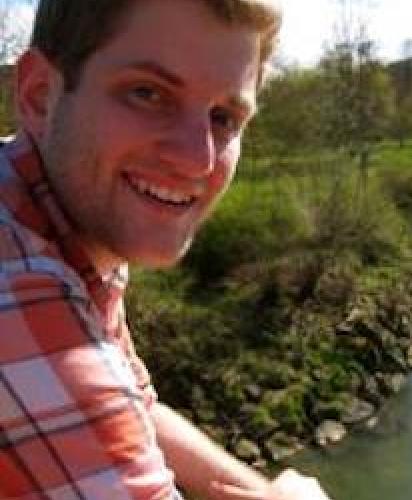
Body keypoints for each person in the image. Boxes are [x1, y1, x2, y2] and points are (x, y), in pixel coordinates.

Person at [0, 0, 333, 498]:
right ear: (41, 96)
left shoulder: (62, 217)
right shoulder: (17, 282)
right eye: (147, 93)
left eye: (223, 117)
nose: (196, 158)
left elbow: (132, 406)